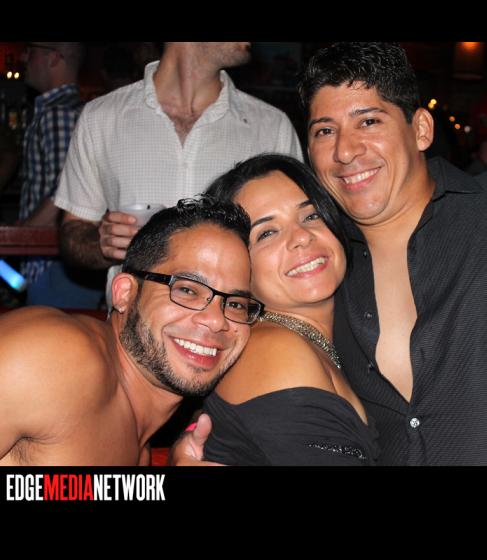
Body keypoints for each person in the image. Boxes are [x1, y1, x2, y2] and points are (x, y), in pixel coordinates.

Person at [174, 43, 487, 467]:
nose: (345, 150)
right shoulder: (322, 272)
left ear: (420, 129)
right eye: (325, 131)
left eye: (368, 121)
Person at [0, 198, 258, 465]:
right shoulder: (55, 356)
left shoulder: (139, 449)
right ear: (125, 293)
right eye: (187, 290)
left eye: (236, 304)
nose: (216, 320)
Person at [54, 42, 303, 298]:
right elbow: (73, 235)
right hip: (133, 315)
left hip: (232, 316)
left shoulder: (271, 126)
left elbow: (297, 237)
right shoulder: (101, 118)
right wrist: (102, 244)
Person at [196, 154, 378, 465]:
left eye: (310, 216)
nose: (301, 237)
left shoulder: (340, 330)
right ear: (237, 267)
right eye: (267, 233)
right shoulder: (275, 351)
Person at [18, 42, 104, 308]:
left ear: (54, 57)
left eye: (31, 50)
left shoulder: (59, 113)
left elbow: (65, 190)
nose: (24, 57)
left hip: (55, 265)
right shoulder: (66, 110)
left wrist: (23, 235)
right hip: (62, 264)